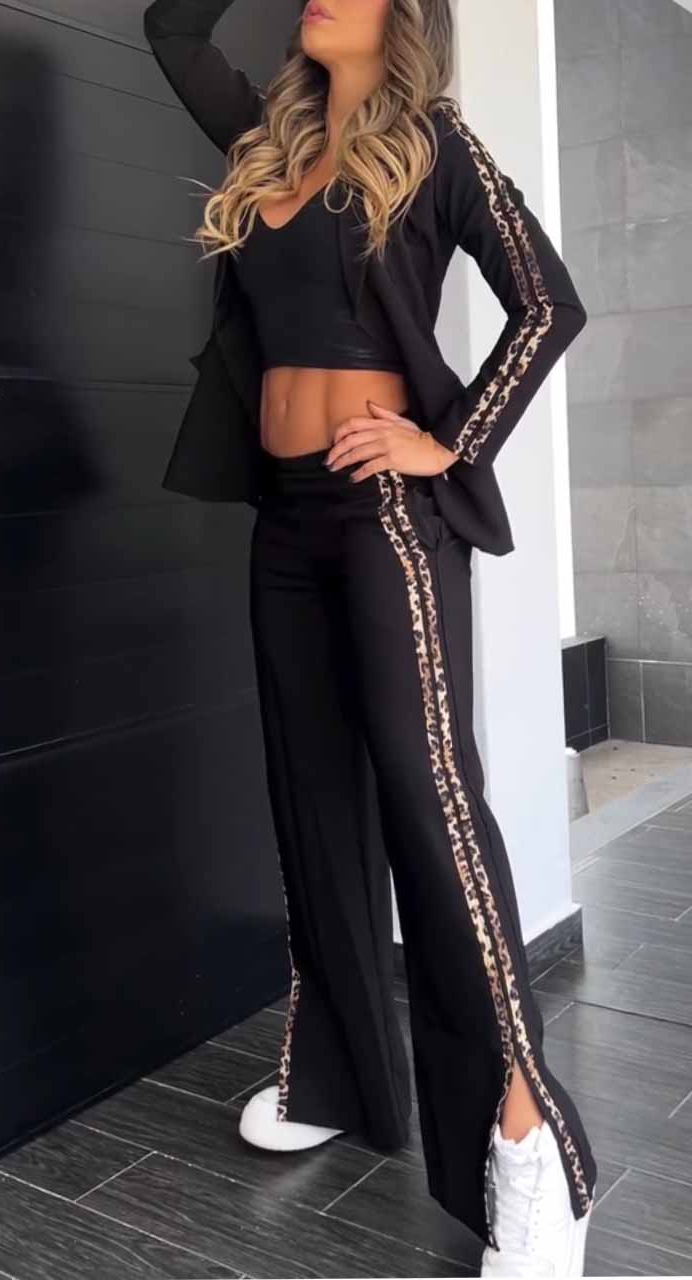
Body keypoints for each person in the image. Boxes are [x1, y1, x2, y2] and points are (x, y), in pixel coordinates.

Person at [143, 0, 598, 1273]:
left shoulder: (434, 143)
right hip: (286, 517)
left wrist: (451, 442)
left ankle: (531, 1141)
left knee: (428, 795)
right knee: (311, 794)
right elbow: (172, 31)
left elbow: (548, 303)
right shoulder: (270, 141)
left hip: (387, 514)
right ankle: (339, 1074)